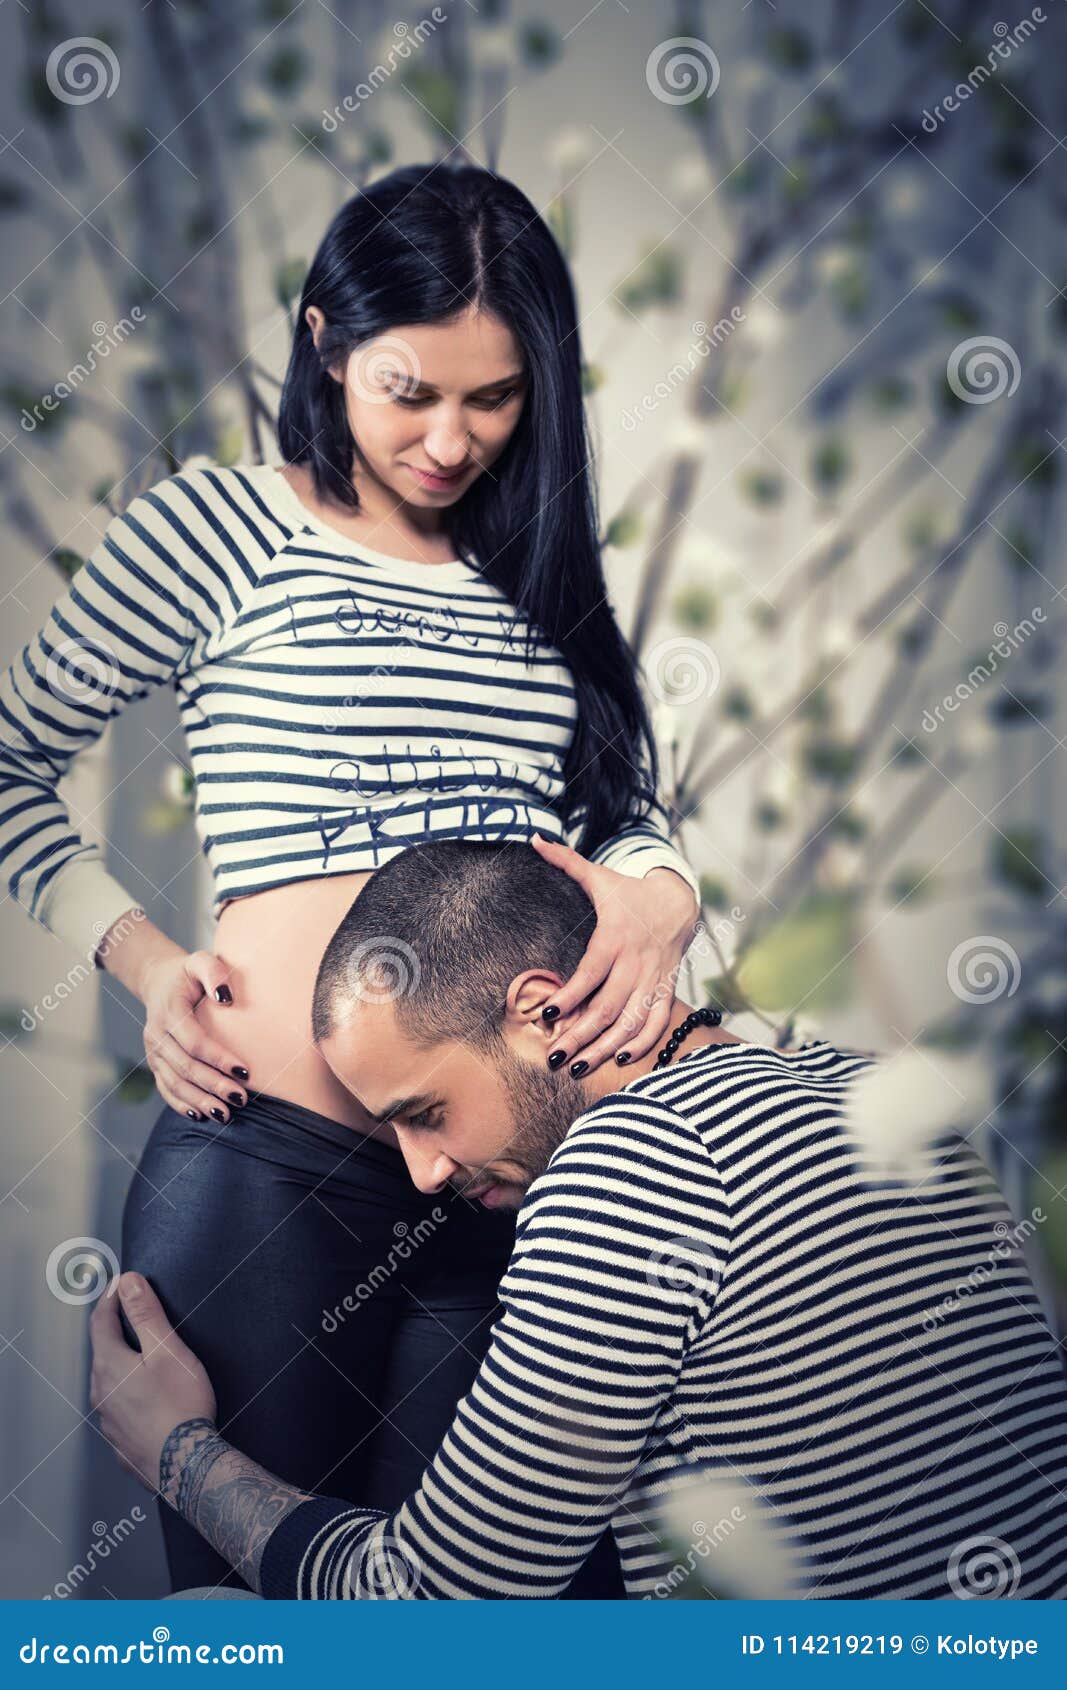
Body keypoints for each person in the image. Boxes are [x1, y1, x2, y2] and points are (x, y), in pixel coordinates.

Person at [0, 163, 704, 1595]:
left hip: (519, 1181)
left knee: (494, 1626)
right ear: (323, 340)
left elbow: (612, 807)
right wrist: (139, 961)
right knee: (258, 1617)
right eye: (407, 391)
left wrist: (658, 889)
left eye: (492, 398)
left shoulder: (533, 562)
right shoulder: (216, 529)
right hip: (266, 1162)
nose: (449, 441)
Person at [90, 842, 1067, 1600]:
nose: (425, 1173)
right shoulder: (871, 1091)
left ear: (539, 1012)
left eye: (424, 1112)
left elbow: (431, 1606)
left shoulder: (624, 1164)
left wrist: (177, 1448)